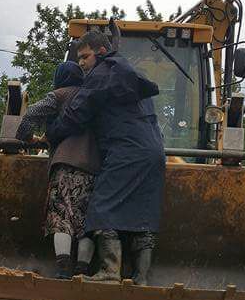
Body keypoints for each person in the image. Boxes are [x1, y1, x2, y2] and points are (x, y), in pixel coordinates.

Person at [47, 28, 166, 285]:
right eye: (79, 58)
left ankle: (110, 272)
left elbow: (76, 114)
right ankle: (141, 278)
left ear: (101, 52)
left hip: (125, 151)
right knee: (143, 213)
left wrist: (53, 134)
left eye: (85, 57)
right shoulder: (133, 76)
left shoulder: (102, 74)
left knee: (101, 206)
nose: (81, 64)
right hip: (155, 151)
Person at [15, 61, 101, 278]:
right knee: (86, 221)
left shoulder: (59, 95)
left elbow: (33, 112)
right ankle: (82, 271)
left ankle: (63, 270)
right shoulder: (94, 97)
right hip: (93, 167)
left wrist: (26, 138)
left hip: (64, 165)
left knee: (62, 216)